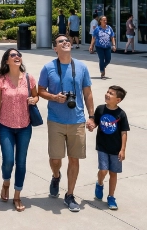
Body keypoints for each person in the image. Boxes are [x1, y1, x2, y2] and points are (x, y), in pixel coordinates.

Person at [38, 35, 95, 212]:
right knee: (55, 159)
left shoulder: (81, 66)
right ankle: (56, 176)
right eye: (61, 41)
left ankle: (69, 195)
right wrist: (54, 97)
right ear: (55, 48)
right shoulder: (48, 68)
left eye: (67, 40)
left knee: (74, 158)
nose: (65, 42)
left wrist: (91, 116)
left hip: (77, 120)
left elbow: (88, 93)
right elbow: (40, 91)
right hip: (55, 119)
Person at [0, 48, 38, 212]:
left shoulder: (30, 79)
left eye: (18, 55)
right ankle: (6, 183)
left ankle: (17, 196)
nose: (17, 57)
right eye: (13, 55)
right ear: (7, 61)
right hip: (5, 126)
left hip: (25, 126)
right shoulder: (0, 81)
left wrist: (34, 99)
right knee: (8, 161)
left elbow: (36, 96)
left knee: (21, 162)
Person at [91, 86, 129, 211]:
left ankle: (111, 196)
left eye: (111, 93)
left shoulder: (121, 114)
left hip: (116, 148)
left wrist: (122, 149)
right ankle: (100, 183)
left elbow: (124, 132)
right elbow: (96, 122)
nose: (107, 94)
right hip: (102, 146)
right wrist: (92, 125)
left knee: (113, 173)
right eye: (107, 92)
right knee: (103, 170)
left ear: (118, 100)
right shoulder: (100, 109)